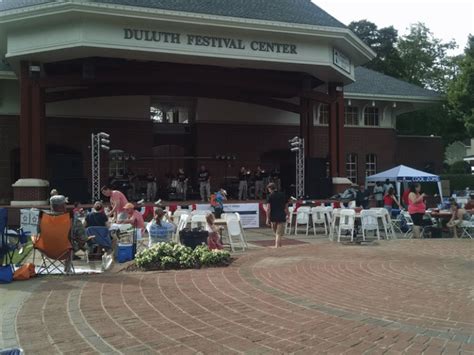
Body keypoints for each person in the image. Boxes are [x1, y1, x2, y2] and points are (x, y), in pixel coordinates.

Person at [49, 195, 90, 261]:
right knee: (84, 242)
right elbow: (83, 238)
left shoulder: (43, 219)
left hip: (47, 250)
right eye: (65, 204)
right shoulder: (73, 220)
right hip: (66, 250)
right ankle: (70, 262)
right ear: (63, 206)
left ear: (51, 206)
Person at [266, 183, 289, 248]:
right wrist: (288, 215)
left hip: (273, 216)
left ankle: (277, 246)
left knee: (277, 233)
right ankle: (279, 246)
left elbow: (268, 208)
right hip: (281, 215)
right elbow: (286, 207)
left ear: (270, 189)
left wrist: (267, 218)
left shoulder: (270, 196)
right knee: (278, 233)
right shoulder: (283, 195)